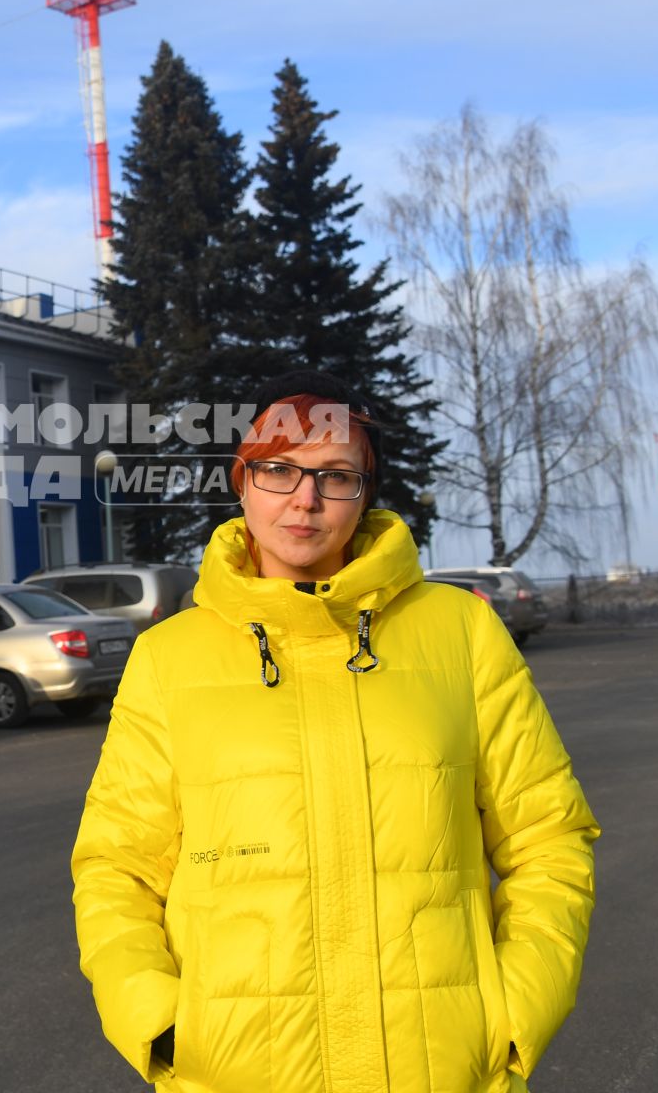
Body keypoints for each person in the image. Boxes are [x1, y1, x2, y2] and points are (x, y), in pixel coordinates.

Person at [71, 370, 598, 1092]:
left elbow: (548, 839)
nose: (305, 498)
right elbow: (116, 868)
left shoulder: (459, 631)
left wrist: (513, 1013)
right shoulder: (170, 657)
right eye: (279, 469)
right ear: (242, 479)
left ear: (365, 493)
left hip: (440, 1068)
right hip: (233, 1072)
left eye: (336, 476)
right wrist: (162, 1028)